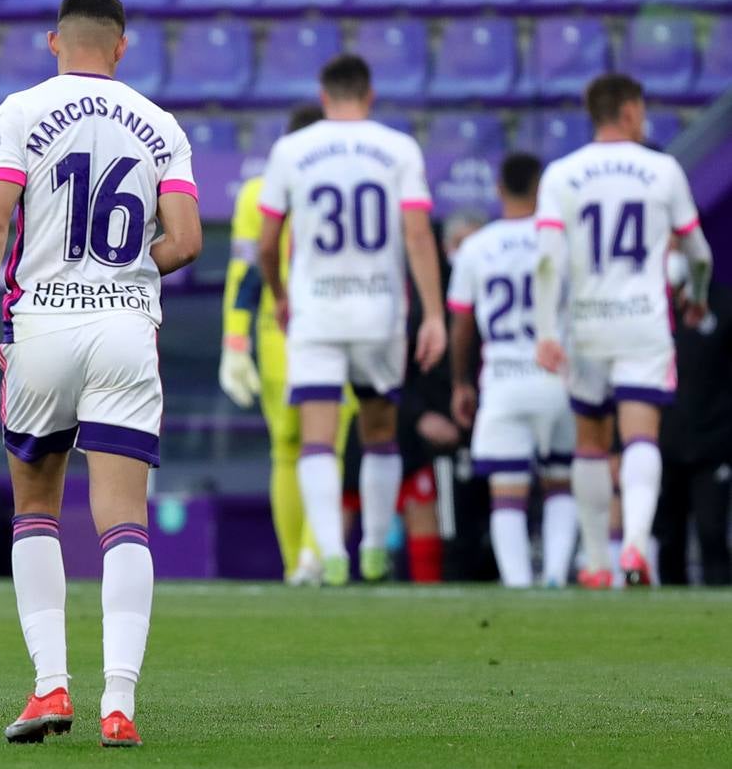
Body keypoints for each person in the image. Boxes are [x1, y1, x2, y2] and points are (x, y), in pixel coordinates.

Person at [0, 0, 201, 748]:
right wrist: (124, 274)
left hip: (44, 325)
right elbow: (185, 241)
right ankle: (118, 704)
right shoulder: (160, 125)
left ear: (54, 42)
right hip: (124, 326)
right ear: (121, 48)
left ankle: (50, 687)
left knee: (36, 509)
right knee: (124, 518)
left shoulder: (22, 110)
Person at [256, 54, 446, 586]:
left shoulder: (292, 150)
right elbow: (417, 234)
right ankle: (374, 549)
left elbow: (268, 243)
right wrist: (432, 313)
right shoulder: (397, 149)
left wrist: (280, 294)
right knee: (380, 430)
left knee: (317, 438)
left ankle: (331, 554)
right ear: (370, 94)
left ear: (323, 94)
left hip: (315, 310)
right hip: (379, 310)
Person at [534, 73, 713, 587]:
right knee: (640, 435)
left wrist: (546, 330)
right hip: (643, 321)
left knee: (590, 439)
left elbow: (548, 261)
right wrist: (696, 298)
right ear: (631, 110)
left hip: (586, 324)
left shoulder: (562, 174)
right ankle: (634, 546)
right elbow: (698, 251)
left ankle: (596, 563)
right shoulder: (662, 170)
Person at [218, 104, 356, 585]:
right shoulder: (349, 188)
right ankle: (314, 558)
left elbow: (245, 273)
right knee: (329, 445)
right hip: (342, 329)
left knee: (287, 448)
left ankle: (297, 561)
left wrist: (235, 342)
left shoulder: (258, 193)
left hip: (279, 333)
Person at [448, 153, 579, 588]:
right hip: (557, 375)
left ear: (498, 189)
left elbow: (462, 323)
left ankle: (519, 584)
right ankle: (557, 574)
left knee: (507, 491)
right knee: (561, 481)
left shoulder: (476, 246)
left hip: (503, 379)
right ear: (542, 188)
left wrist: (461, 382)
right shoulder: (562, 240)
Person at [655, 271, 732, 585]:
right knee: (668, 539)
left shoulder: (724, 303)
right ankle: (667, 623)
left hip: (713, 443)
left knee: (712, 533)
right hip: (663, 442)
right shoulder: (651, 303)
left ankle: (719, 616)